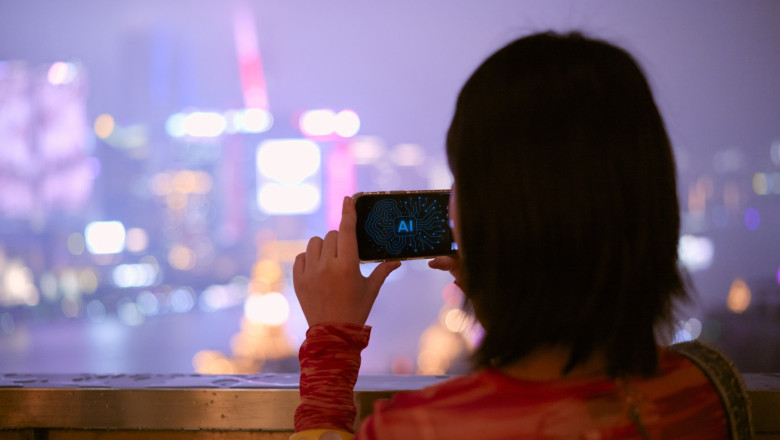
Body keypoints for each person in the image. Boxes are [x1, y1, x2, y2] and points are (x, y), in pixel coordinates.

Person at [290, 32, 730, 440]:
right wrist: (502, 304)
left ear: (493, 213)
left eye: (461, 177)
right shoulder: (708, 387)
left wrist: (331, 344)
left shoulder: (422, 428)